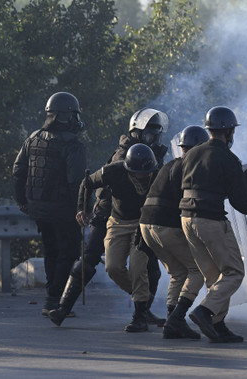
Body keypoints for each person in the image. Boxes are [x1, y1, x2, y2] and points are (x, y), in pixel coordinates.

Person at [48, 108, 168, 326]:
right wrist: (85, 210)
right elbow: (97, 184)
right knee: (89, 260)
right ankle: (63, 309)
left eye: (157, 135)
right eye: (150, 135)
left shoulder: (152, 154)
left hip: (137, 217)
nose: (155, 140)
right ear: (138, 133)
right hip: (109, 214)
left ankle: (142, 311)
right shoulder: (125, 156)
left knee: (151, 267)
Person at [180, 106, 247, 343]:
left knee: (214, 276)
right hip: (210, 220)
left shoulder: (191, 154)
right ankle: (204, 311)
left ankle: (217, 326)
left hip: (187, 219)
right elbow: (239, 201)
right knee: (234, 272)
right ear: (230, 131)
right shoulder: (229, 158)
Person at [69, 144, 159, 332]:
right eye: (138, 174)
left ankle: (139, 316)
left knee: (137, 266)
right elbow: (87, 183)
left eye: (147, 173)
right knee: (113, 267)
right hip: (117, 223)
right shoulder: (113, 171)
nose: (143, 177)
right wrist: (82, 208)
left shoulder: (157, 175)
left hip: (143, 224)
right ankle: (141, 297)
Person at [12, 92, 86, 316]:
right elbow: (77, 182)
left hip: (39, 209)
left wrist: (22, 201)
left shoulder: (32, 138)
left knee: (52, 252)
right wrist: (82, 208)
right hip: (64, 210)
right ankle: (55, 301)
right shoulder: (73, 144)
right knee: (68, 253)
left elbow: (18, 172)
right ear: (66, 116)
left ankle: (51, 299)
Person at [140, 125, 209, 340]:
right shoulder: (192, 168)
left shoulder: (170, 164)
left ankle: (172, 322)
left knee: (179, 273)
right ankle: (177, 318)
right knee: (198, 269)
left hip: (146, 227)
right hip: (165, 226)